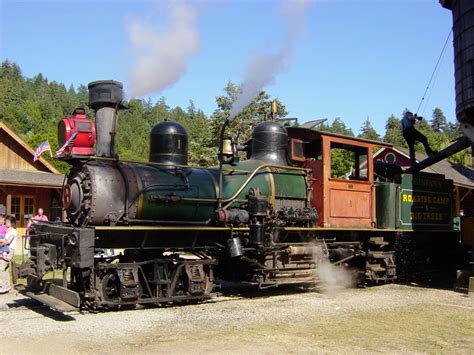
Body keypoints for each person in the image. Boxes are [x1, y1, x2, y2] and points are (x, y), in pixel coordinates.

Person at [0, 216, 18, 294]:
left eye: (8, 222)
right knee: (5, 269)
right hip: (4, 250)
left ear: (12, 223)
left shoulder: (13, 231)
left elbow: (8, 241)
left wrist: (1, 244)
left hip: (9, 251)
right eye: (6, 222)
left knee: (1, 268)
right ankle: (6, 286)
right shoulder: (6, 230)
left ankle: (4, 287)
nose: (6, 223)